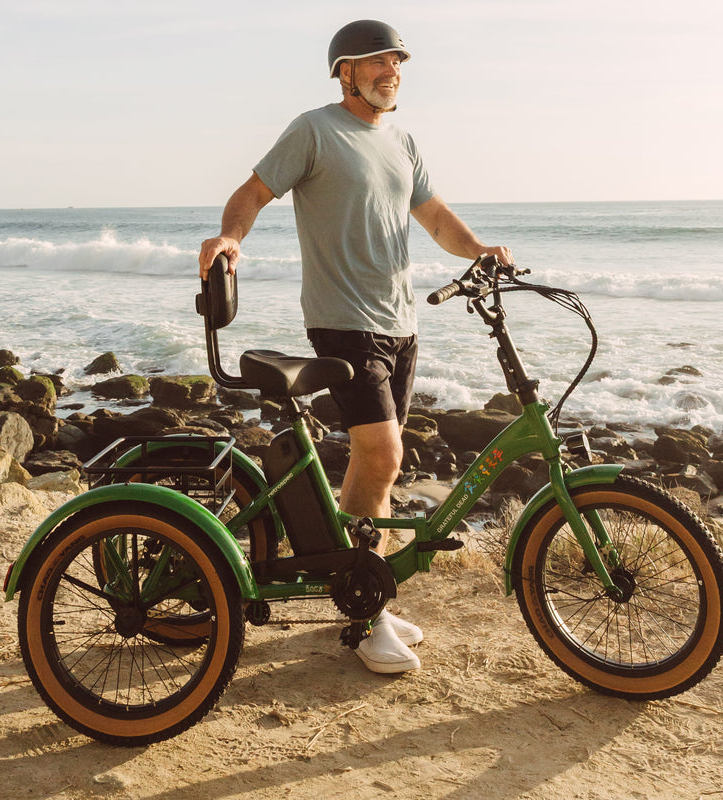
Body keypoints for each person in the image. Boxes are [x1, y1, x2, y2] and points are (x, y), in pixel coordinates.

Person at [199, 19, 513, 674]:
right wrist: (231, 239)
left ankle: (361, 586)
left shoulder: (402, 140)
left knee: (380, 468)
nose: (390, 69)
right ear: (345, 71)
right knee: (381, 452)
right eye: (375, 61)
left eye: (396, 60)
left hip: (402, 325)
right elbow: (253, 192)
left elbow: (434, 218)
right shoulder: (315, 129)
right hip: (344, 322)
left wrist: (480, 249)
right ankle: (366, 621)